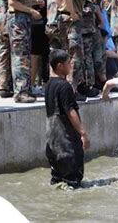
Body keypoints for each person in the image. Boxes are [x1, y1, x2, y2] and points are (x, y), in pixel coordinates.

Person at [45, 49, 90, 189]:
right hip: (65, 141)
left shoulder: (49, 85)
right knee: (73, 181)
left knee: (57, 180)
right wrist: (83, 133)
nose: (70, 66)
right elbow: (70, 111)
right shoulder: (64, 86)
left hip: (52, 142)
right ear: (60, 66)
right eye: (68, 63)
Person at [55, 0, 99, 100]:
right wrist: (72, 13)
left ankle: (70, 89)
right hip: (72, 23)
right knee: (75, 58)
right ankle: (72, 92)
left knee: (68, 54)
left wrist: (63, 10)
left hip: (64, 21)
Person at [7, 0, 44, 103]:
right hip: (18, 21)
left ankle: (26, 89)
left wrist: (35, 2)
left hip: (24, 21)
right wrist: (32, 11)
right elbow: (13, 2)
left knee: (25, 57)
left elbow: (22, 0)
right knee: (20, 57)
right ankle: (20, 92)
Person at [31, 0, 61, 94]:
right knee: (49, 53)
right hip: (54, 24)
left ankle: (32, 84)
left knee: (35, 54)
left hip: (37, 21)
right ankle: (47, 82)